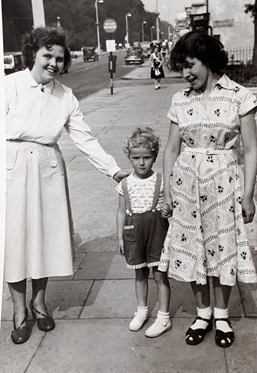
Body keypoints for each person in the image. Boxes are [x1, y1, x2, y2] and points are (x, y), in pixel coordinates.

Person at [5, 27, 128, 345]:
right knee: (15, 239)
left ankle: (39, 302)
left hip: (48, 166)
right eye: (47, 55)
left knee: (44, 237)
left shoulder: (66, 96)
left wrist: (114, 172)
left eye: (59, 59)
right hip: (12, 166)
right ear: (33, 52)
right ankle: (20, 311)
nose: (53, 63)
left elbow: (85, 139)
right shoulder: (9, 85)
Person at [159, 30, 257, 348]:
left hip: (224, 182)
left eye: (190, 66)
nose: (186, 75)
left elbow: (251, 149)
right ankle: (203, 314)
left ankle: (223, 314)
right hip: (186, 183)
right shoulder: (180, 100)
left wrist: (248, 194)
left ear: (207, 59)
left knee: (222, 245)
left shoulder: (239, 95)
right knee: (192, 246)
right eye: (181, 68)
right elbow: (171, 149)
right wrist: (168, 191)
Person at [116, 127, 171, 337]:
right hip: (134, 234)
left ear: (155, 157)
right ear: (129, 158)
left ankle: (164, 317)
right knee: (140, 274)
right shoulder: (125, 183)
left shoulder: (161, 181)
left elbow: (169, 206)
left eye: (146, 157)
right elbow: (121, 211)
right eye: (136, 158)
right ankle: (141, 311)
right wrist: (120, 237)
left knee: (160, 275)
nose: (141, 163)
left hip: (157, 233)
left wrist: (168, 209)